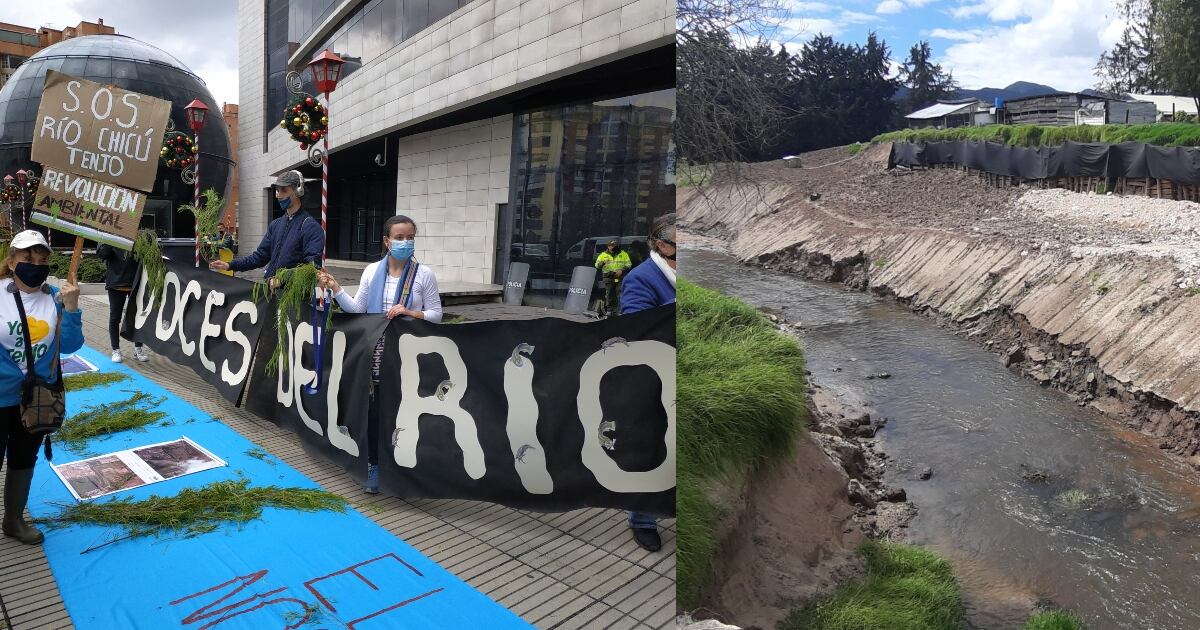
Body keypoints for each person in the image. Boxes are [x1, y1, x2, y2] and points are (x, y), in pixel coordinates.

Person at [316, 215, 442, 493]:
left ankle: (402, 467)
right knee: (374, 412)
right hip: (373, 355)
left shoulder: (424, 275)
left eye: (410, 237)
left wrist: (411, 313)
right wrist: (336, 289)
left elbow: (436, 314)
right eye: (399, 237)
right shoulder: (372, 272)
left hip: (405, 357)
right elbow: (358, 309)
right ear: (386, 241)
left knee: (401, 412)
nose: (406, 243)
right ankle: (373, 464)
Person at [0, 230, 83, 545]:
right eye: (27, 257)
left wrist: (72, 309)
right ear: (11, 261)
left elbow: (71, 346)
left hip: (36, 399)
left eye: (42, 258)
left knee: (23, 459)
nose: (35, 263)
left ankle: (13, 520)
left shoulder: (53, 299)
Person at [619, 212, 677, 552]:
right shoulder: (642, 278)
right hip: (653, 376)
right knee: (650, 447)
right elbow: (635, 325)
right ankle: (642, 519)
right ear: (661, 244)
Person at [209, 170, 323, 282]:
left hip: (295, 298)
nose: (278, 195)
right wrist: (230, 265)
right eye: (277, 191)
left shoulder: (310, 226)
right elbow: (259, 257)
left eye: (283, 190)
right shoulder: (275, 225)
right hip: (271, 293)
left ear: (298, 191)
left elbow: (312, 269)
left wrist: (282, 279)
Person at [95, 243, 149, 363]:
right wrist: (108, 241)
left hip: (135, 282)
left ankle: (138, 348)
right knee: (115, 317)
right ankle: (116, 349)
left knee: (138, 317)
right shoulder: (110, 237)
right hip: (115, 283)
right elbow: (103, 254)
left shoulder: (139, 237)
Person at [594, 239, 631, 317]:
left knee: (620, 293)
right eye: (612, 246)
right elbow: (597, 265)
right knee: (609, 294)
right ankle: (609, 311)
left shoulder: (623, 254)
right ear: (608, 246)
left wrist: (622, 270)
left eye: (615, 246)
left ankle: (619, 310)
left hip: (620, 277)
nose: (613, 247)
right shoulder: (603, 255)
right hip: (608, 277)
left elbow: (629, 264)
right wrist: (603, 262)